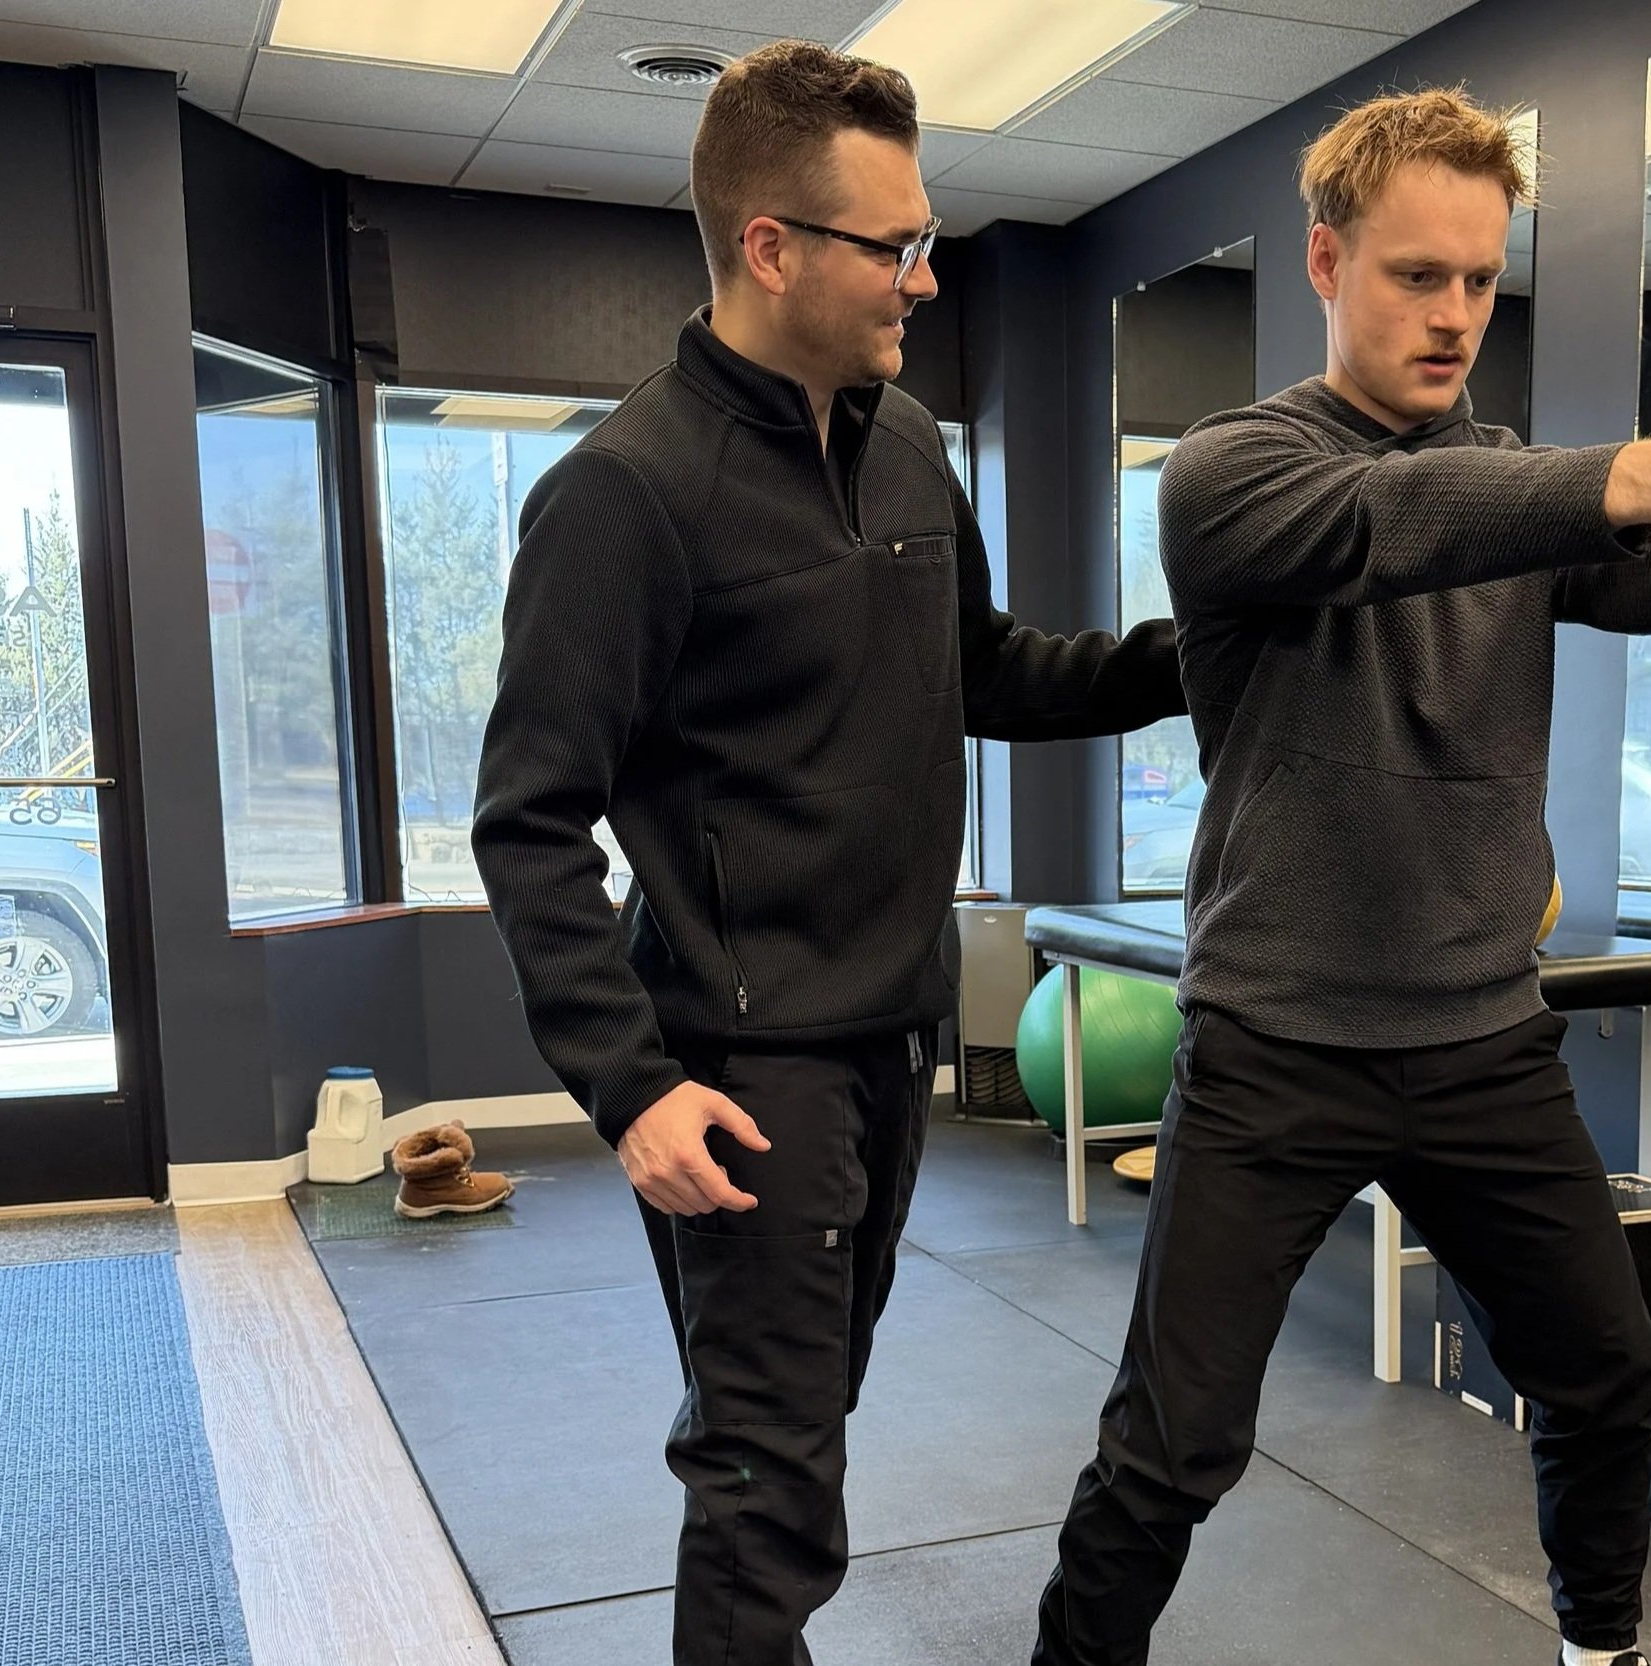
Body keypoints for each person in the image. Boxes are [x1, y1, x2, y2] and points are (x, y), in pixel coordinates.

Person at [1029, 87, 1651, 1666]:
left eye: (1481, 278)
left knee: (1608, 1373)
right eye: (1418, 275)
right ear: (1326, 264)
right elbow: (1398, 524)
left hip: (1479, 1039)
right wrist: (1631, 476)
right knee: (1172, 1444)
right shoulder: (1231, 473)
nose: (1457, 312)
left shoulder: (1513, 475)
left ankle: (1600, 1647)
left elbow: (1639, 567)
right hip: (1277, 1041)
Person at [470, 40, 1185, 1666]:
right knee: (769, 1483)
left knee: (798, 1425)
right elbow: (526, 816)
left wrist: (1194, 656)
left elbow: (986, 670)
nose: (925, 279)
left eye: (927, 240)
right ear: (772, 245)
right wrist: (628, 1083)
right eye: (896, 246)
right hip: (740, 1064)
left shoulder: (913, 444)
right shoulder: (628, 493)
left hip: (891, 1033)